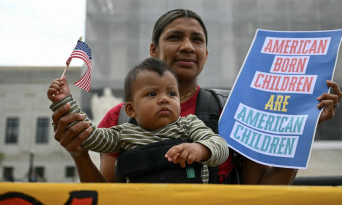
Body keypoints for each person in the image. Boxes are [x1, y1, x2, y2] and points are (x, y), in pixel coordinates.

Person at [50, 9, 342, 184]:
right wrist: (78, 153)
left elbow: (262, 192)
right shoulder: (118, 117)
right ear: (154, 50)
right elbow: (107, 195)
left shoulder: (234, 111)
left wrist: (304, 128)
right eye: (175, 37)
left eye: (197, 40)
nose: (188, 46)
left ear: (206, 54)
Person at [48, 57, 229, 183]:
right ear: (131, 109)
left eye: (172, 93)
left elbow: (220, 146)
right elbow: (88, 135)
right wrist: (65, 101)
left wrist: (200, 148)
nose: (164, 99)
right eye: (152, 94)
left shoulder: (189, 124)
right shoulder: (124, 133)